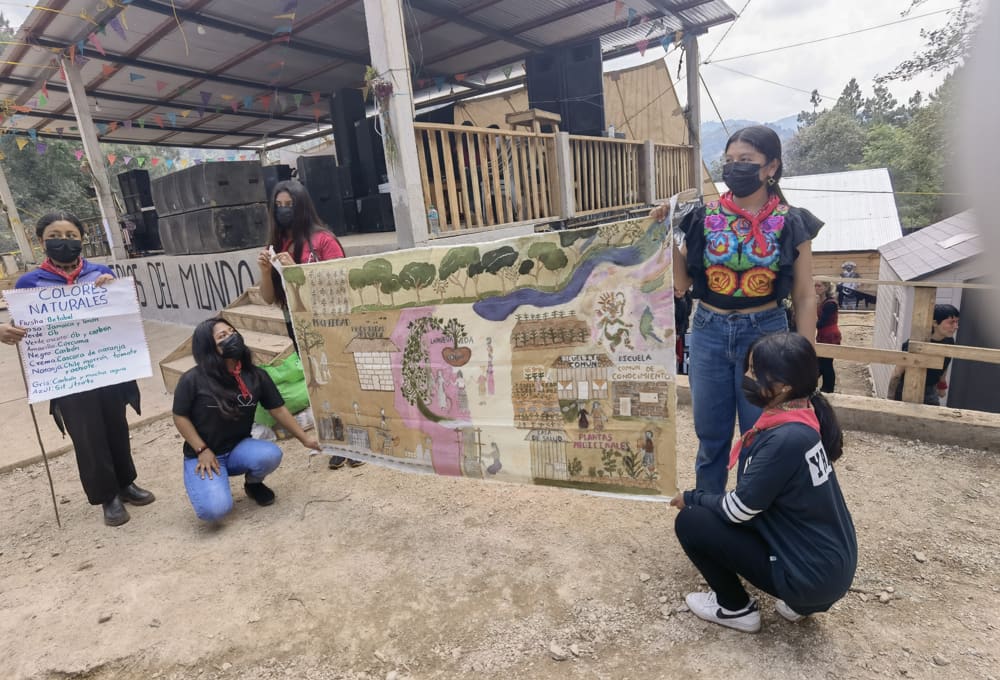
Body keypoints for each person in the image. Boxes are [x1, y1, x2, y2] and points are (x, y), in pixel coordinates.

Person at [652, 126, 823, 493]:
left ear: (771, 167)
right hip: (708, 332)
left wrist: (806, 361)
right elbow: (681, 283)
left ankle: (750, 515)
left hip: (767, 337)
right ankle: (708, 514)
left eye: (746, 160)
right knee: (710, 439)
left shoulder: (792, 221)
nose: (734, 167)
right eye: (729, 160)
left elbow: (805, 295)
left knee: (759, 437)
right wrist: (664, 234)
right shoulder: (703, 217)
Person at [670, 332, 856, 633]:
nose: (746, 376)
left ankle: (735, 607)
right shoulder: (805, 417)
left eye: (755, 372)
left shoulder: (784, 439)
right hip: (831, 570)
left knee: (692, 521)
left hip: (811, 579)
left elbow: (738, 510)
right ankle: (800, 603)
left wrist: (691, 498)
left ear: (784, 386)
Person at [4, 212, 155, 527]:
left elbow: (126, 311)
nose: (64, 242)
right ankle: (107, 496)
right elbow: (22, 325)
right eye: (55, 236)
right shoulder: (29, 283)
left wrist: (114, 290)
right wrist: (6, 330)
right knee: (87, 435)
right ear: (41, 241)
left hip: (108, 368)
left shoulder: (101, 272)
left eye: (71, 236)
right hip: (67, 374)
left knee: (116, 426)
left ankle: (126, 483)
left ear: (81, 240)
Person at [172, 317, 322, 522]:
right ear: (208, 347)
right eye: (222, 336)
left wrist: (305, 439)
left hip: (237, 448)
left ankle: (253, 484)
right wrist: (201, 449)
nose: (232, 337)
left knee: (270, 454)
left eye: (232, 332)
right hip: (203, 455)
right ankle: (212, 483)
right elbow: (180, 416)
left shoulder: (256, 375)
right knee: (215, 510)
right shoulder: (192, 379)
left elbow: (278, 410)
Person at [255, 180, 360, 471]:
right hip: (297, 324)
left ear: (302, 206)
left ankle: (358, 440)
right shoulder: (276, 244)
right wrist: (266, 271)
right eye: (278, 205)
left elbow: (339, 285)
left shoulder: (323, 240)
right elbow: (268, 298)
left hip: (330, 320)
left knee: (341, 377)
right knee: (319, 381)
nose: (283, 210)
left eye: (289, 205)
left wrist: (296, 272)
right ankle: (338, 441)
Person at [889, 304, 960, 405]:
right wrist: (890, 398)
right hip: (907, 389)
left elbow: (944, 365)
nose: (956, 326)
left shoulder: (949, 341)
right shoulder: (915, 344)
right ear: (935, 323)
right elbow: (897, 374)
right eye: (951, 322)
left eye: (957, 322)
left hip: (930, 390)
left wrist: (942, 386)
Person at [815, 280, 841, 393]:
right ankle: (824, 388)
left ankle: (828, 388)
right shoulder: (822, 301)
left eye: (819, 286)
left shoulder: (830, 304)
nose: (816, 288)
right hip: (823, 334)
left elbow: (822, 323)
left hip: (830, 335)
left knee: (827, 364)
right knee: (822, 362)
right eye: (815, 286)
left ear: (826, 287)